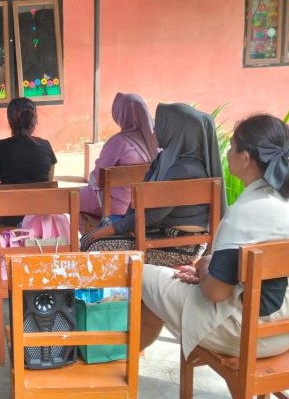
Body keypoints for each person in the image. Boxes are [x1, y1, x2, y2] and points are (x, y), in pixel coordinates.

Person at [140, 113, 289, 359]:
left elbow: (216, 293)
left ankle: (121, 361)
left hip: (245, 334)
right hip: (283, 332)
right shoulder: (282, 200)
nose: (228, 153)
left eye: (232, 146)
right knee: (163, 292)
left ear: (245, 158)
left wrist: (203, 268)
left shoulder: (246, 213)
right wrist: (208, 269)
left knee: (141, 273)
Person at [80, 103, 226, 267]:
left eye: (160, 125)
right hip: (161, 234)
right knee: (95, 236)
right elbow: (141, 203)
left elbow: (151, 216)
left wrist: (102, 232)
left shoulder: (186, 170)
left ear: (174, 130)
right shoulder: (166, 158)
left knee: (94, 246)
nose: (154, 130)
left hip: (182, 246)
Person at [80, 93, 159, 221]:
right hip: (147, 205)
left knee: (71, 198)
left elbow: (98, 177)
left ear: (120, 115)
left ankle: (94, 232)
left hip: (117, 206)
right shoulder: (158, 141)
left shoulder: (118, 142)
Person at [0, 97, 57, 186]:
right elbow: (50, 186)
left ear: (9, 121)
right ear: (34, 121)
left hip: (9, 195)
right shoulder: (46, 146)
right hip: (42, 196)